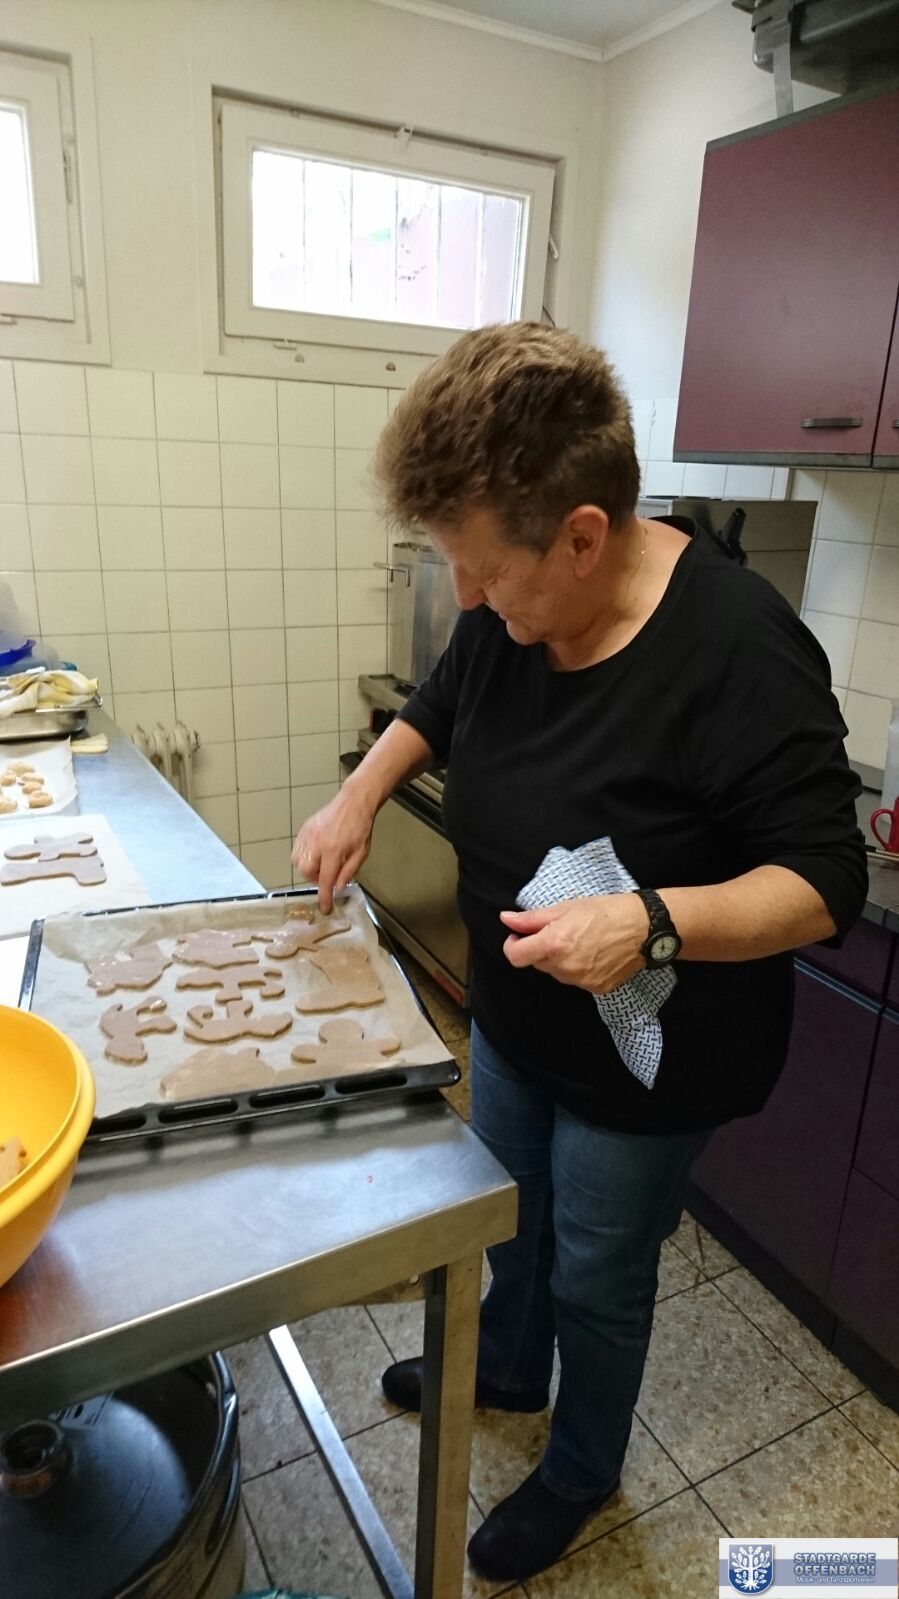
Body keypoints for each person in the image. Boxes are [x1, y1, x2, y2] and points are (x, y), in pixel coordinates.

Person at [291, 323, 867, 1584]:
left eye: (485, 572)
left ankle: (580, 1465)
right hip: (517, 1016)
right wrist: (357, 795)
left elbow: (825, 879)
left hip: (648, 1057)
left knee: (598, 1271)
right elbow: (440, 704)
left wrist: (650, 920)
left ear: (584, 536)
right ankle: (505, 1364)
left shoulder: (736, 646)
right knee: (514, 1219)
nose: (471, 599)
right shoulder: (510, 609)